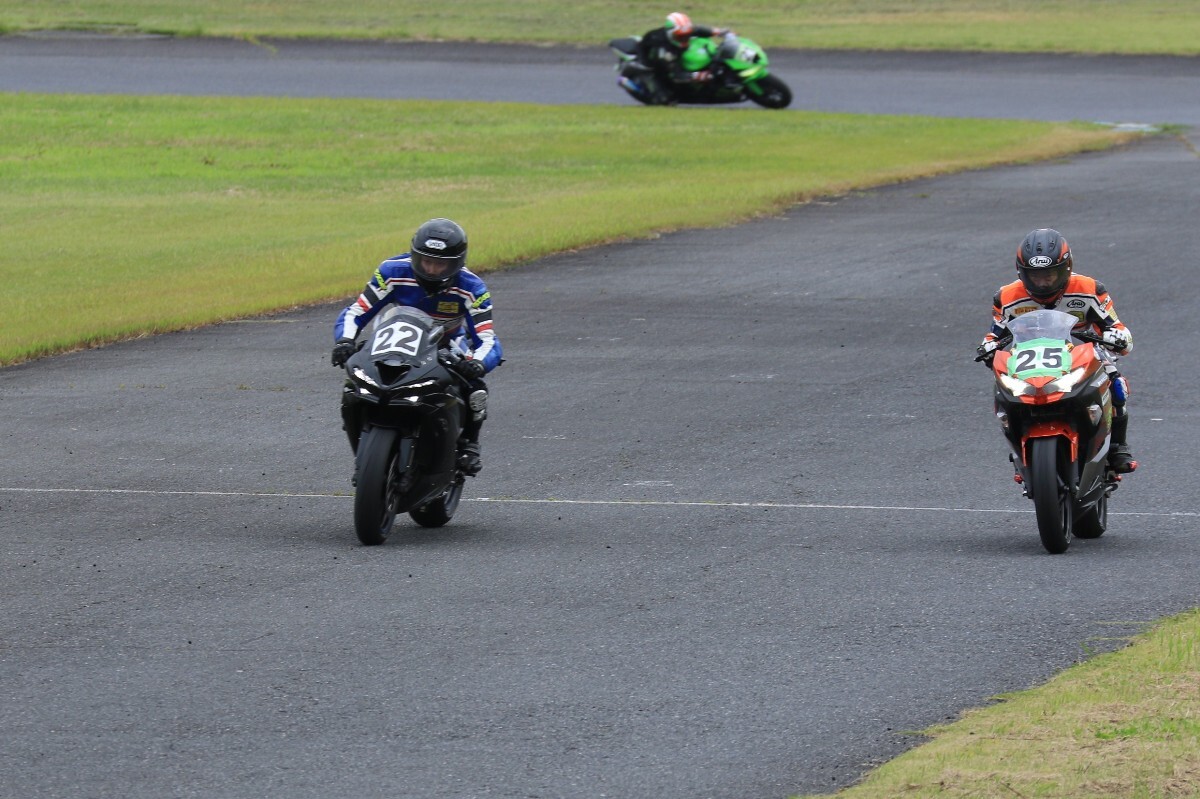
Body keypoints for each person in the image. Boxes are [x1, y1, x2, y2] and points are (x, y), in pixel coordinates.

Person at [331, 217, 502, 476]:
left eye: (440, 264)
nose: (431, 270)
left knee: (475, 386)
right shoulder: (391, 271)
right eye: (426, 261)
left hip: (447, 342)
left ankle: (470, 443)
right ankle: (365, 447)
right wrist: (344, 341)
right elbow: (357, 311)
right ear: (414, 256)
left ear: (456, 263)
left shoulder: (473, 288)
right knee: (355, 381)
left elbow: (487, 338)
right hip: (397, 336)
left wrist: (477, 363)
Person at [977, 228, 1136, 473]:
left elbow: (1116, 327)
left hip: (1081, 352)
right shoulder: (1007, 296)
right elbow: (994, 334)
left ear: (1067, 268)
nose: (1042, 283)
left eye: (1050, 275)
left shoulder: (1090, 289)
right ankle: (1020, 451)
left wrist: (1117, 337)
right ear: (1021, 272)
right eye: (1034, 276)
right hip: (1030, 359)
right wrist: (988, 346)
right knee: (1004, 391)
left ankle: (1117, 446)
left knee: (1116, 384)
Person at [635, 11, 730, 104]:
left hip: (666, 58)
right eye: (680, 37)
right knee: (664, 100)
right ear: (670, 34)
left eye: (686, 36)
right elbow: (677, 75)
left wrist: (718, 32)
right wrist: (697, 76)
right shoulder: (666, 51)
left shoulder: (679, 31)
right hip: (648, 65)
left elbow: (697, 29)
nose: (684, 39)